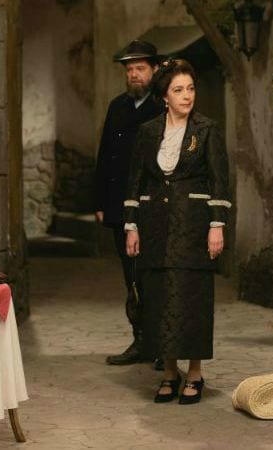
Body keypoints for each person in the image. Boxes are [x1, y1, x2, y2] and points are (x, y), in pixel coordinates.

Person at [124, 58, 230, 404]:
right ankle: (169, 372)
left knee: (192, 298)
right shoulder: (148, 131)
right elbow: (136, 180)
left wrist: (217, 226)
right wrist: (132, 226)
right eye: (179, 90)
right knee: (158, 298)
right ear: (164, 97)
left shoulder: (207, 129)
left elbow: (220, 181)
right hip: (155, 226)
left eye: (191, 88)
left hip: (194, 227)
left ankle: (195, 372)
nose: (187, 96)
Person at [95, 40, 165, 366]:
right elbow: (105, 156)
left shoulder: (163, 108)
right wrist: (101, 201)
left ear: (154, 69)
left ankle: (162, 344)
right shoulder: (118, 107)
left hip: (154, 207)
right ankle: (141, 340)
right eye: (129, 69)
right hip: (120, 206)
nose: (134, 75)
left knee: (155, 277)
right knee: (131, 276)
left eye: (140, 68)